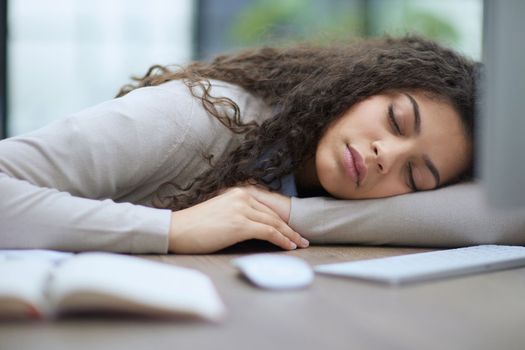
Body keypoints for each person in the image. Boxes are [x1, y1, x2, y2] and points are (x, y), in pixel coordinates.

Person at [0, 36, 479, 254]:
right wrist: (173, 229)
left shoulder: (298, 181)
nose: (386, 157)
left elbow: (504, 214)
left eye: (415, 176)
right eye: (396, 120)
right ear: (362, 84)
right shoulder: (194, 117)